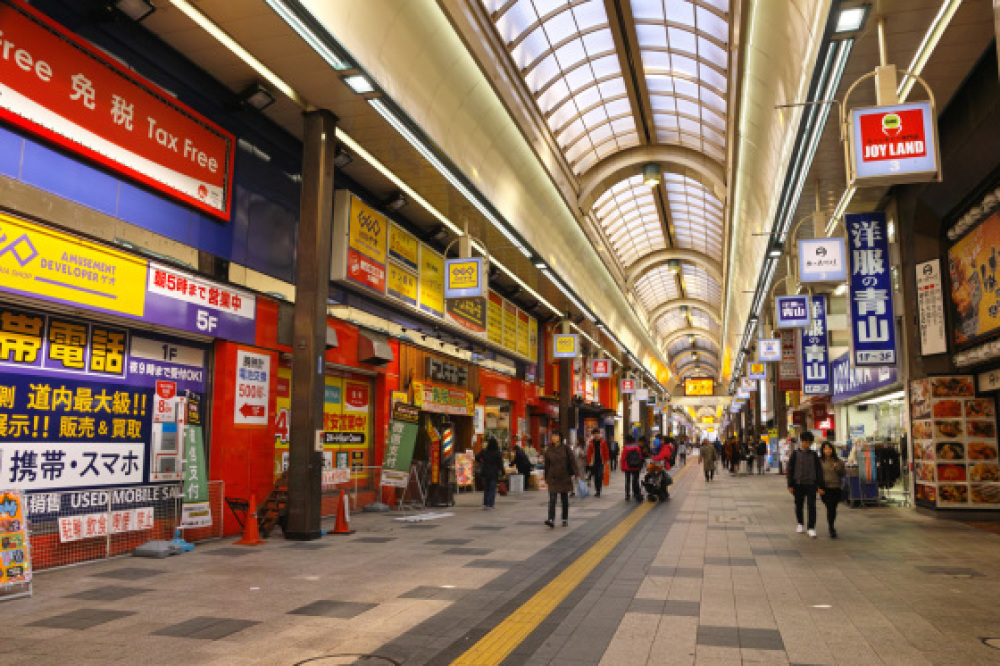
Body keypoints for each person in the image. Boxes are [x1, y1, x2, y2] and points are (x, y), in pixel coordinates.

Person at [786, 431, 825, 538]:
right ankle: (800, 523)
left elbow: (818, 470)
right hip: (798, 484)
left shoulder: (814, 455)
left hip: (811, 484)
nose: (807, 444)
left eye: (809, 442)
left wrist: (820, 486)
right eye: (805, 442)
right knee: (799, 505)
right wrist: (790, 485)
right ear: (801, 441)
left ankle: (811, 527)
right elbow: (790, 469)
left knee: (812, 506)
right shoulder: (795, 454)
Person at [543, 432, 578, 527]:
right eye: (552, 436)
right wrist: (546, 477)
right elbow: (546, 465)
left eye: (555, 436)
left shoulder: (566, 449)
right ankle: (551, 519)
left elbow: (572, 461)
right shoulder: (549, 450)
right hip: (553, 477)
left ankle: (564, 518)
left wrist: (576, 474)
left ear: (559, 437)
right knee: (552, 499)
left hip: (564, 477)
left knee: (564, 499)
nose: (553, 437)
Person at [820, 441, 847, 538]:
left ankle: (831, 526)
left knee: (832, 508)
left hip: (836, 488)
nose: (828, 451)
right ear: (822, 450)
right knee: (830, 507)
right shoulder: (820, 461)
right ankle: (831, 527)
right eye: (825, 449)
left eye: (829, 448)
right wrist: (818, 487)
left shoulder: (838, 461)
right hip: (825, 488)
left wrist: (837, 468)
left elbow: (843, 474)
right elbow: (817, 475)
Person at [475, 437, 504, 510]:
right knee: (492, 488)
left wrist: (481, 462)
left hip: (485, 472)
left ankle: (485, 504)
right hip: (493, 473)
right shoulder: (497, 453)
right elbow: (500, 463)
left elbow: (477, 457)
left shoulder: (484, 451)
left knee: (486, 488)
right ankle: (491, 504)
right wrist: (502, 471)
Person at [620, 435, 644, 501]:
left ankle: (627, 495)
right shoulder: (637, 447)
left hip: (628, 466)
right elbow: (640, 456)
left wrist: (622, 467)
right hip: (636, 466)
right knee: (635, 480)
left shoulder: (626, 448)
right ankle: (635, 493)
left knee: (627, 481)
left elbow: (623, 458)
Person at [586, 428, 610, 497]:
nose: (596, 435)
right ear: (593, 434)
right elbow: (589, 452)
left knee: (600, 475)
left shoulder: (603, 441)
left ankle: (599, 489)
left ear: (599, 434)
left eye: (597, 433)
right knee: (595, 476)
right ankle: (597, 490)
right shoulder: (591, 442)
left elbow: (606, 451)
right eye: (594, 433)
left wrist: (607, 460)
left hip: (601, 461)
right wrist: (589, 461)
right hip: (594, 462)